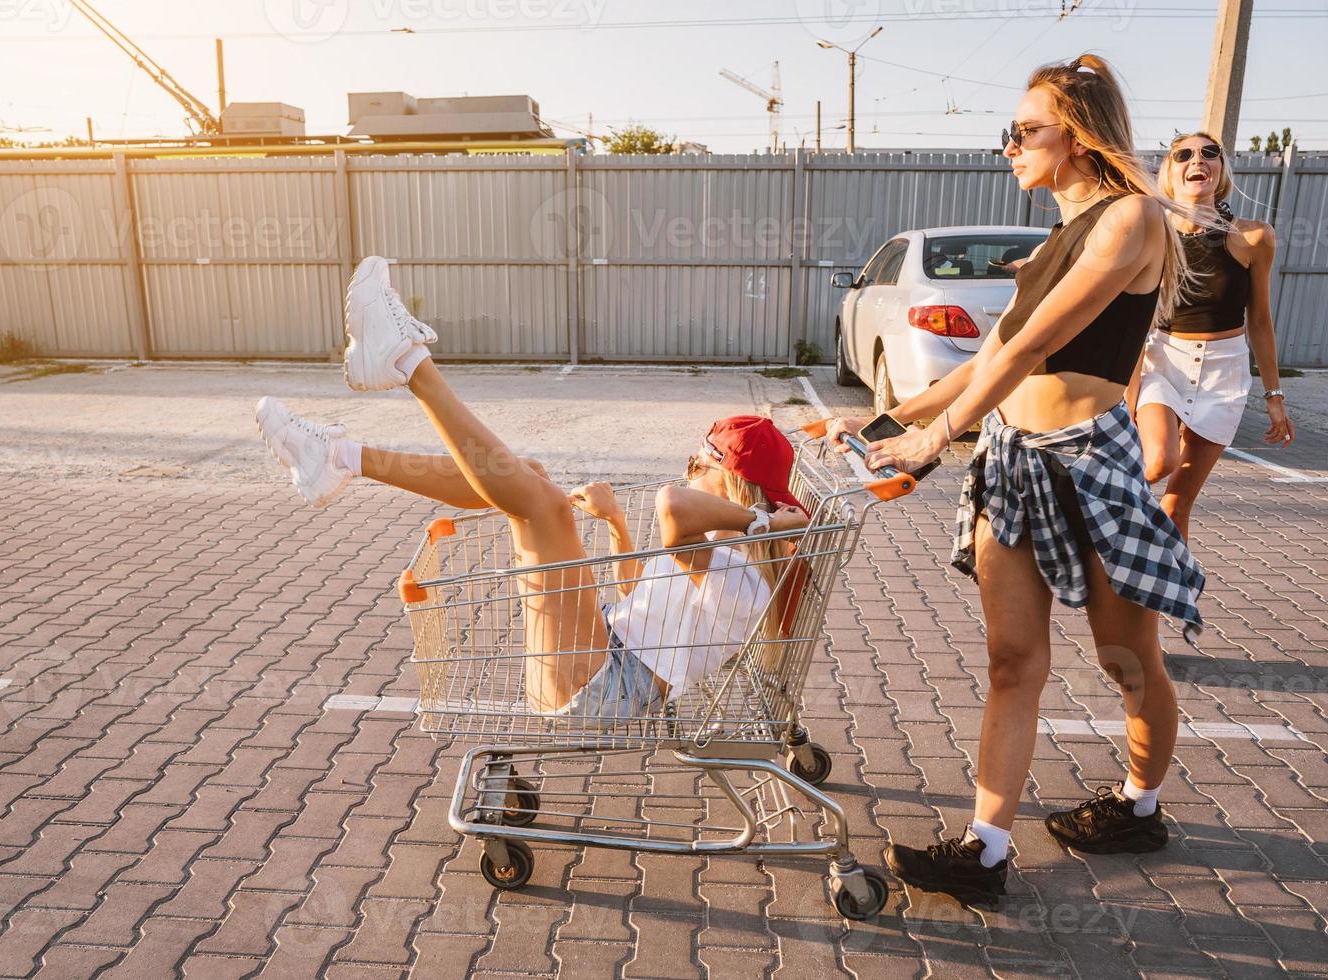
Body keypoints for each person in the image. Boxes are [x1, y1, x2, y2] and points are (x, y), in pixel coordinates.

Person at [828, 55, 1205, 906]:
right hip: (1015, 461)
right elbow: (993, 357)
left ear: (1075, 136)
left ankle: (1139, 806)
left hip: (1091, 462)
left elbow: (1034, 348)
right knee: (1011, 662)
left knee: (1127, 659)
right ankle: (986, 850)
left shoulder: (1132, 218)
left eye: (1022, 130)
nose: (1008, 146)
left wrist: (935, 441)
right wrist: (887, 422)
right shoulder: (1053, 243)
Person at [256, 256, 809, 719]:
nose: (687, 466)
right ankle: (339, 457)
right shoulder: (719, 553)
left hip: (604, 686)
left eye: (701, 459)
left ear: (735, 483)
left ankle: (407, 362)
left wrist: (764, 523)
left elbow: (673, 506)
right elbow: (639, 598)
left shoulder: (743, 568)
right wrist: (616, 525)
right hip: (604, 655)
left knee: (541, 506)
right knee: (532, 477)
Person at [1131, 130, 1294, 539]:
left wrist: (1274, 397)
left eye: (1209, 153)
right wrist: (1127, 398)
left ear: (1220, 170)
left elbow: (1259, 319)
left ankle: (1167, 595)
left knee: (1176, 504)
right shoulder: (1152, 234)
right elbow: (1135, 319)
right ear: (1170, 172)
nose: (1197, 160)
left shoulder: (1254, 237)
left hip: (1224, 373)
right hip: (1165, 362)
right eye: (1183, 154)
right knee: (1158, 463)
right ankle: (1107, 517)